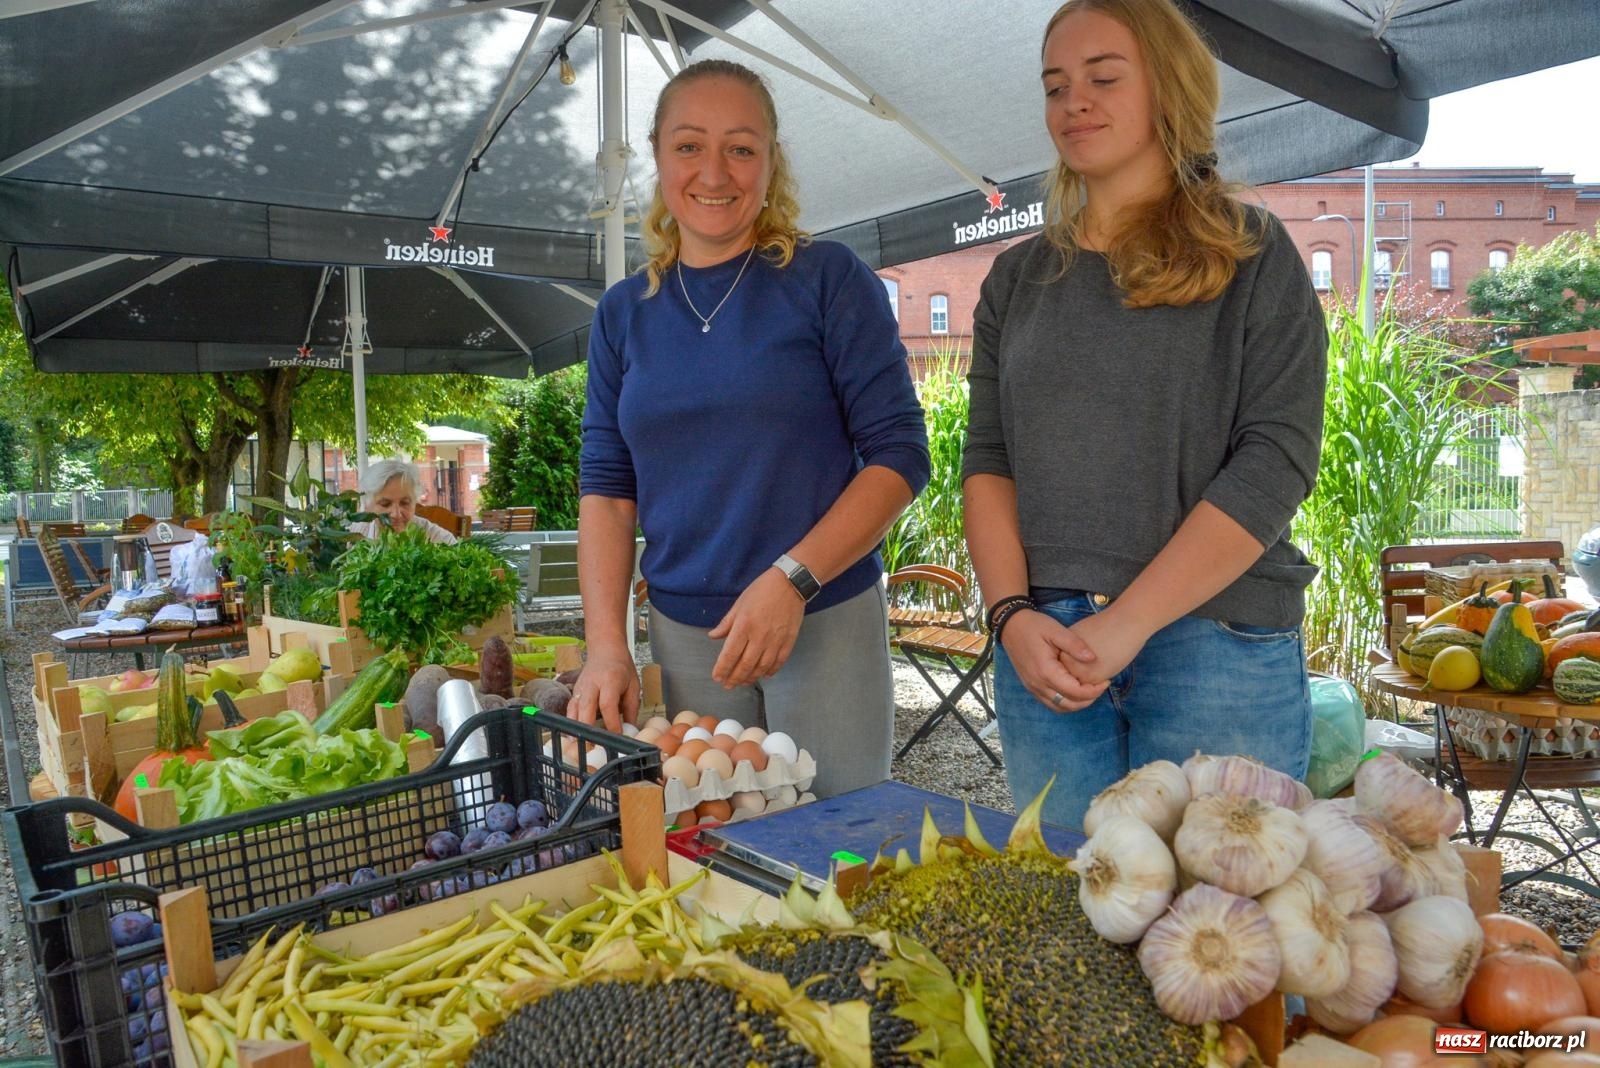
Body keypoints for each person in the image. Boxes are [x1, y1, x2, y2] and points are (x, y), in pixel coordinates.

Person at [961, 0, 1328, 831]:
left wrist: (1128, 623)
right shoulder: (1015, 280)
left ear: (1169, 88)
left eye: (1103, 77)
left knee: (1217, 940)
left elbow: (1276, 460)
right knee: (1066, 934)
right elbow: (987, 460)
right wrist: (1009, 617)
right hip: (1044, 650)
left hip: (1218, 643)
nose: (1073, 102)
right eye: (1056, 86)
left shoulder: (1254, 253)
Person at [573, 59, 930, 799]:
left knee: (835, 849)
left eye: (741, 147)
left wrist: (792, 580)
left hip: (822, 618)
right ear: (658, 155)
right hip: (686, 638)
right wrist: (607, 644)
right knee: (713, 854)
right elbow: (607, 492)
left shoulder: (828, 279)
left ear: (771, 165)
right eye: (689, 145)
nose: (715, 171)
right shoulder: (623, 312)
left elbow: (900, 455)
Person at [353, 459, 457, 544]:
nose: (396, 514)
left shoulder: (440, 540)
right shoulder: (350, 538)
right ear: (367, 506)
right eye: (385, 504)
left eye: (405, 503)